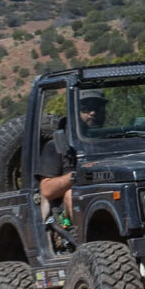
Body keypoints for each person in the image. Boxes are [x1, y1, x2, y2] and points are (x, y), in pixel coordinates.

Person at [40, 92, 103, 223]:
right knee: (71, 195)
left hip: (109, 200)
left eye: (97, 107)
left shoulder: (118, 140)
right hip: (69, 211)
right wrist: (77, 176)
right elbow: (47, 190)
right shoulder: (57, 144)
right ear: (75, 112)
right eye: (86, 108)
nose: (92, 112)